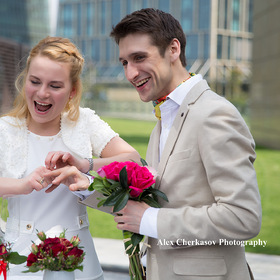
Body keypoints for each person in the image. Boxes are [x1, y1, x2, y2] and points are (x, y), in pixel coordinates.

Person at [110, 8, 262, 280]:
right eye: (124, 62)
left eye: (139, 58)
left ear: (173, 49)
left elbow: (243, 216)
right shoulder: (164, 116)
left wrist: (150, 221)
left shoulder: (214, 113)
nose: (130, 73)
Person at [0, 36, 140, 280]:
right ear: (25, 82)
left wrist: (86, 165)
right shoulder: (6, 129)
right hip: (19, 265)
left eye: (55, 86)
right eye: (35, 82)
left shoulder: (84, 123)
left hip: (79, 261)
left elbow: (134, 159)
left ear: (72, 91)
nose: (42, 93)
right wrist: (23, 186)